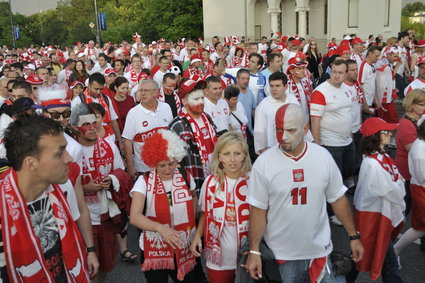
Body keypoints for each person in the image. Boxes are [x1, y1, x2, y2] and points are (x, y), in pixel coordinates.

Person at [245, 103, 364, 282]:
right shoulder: (263, 164)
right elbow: (258, 210)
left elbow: (337, 199)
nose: (283, 136)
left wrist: (353, 236)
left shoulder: (322, 157)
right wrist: (254, 251)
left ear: (305, 128)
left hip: (319, 251)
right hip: (282, 255)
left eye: (291, 130)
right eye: (279, 129)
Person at [0, 115, 90, 282]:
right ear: (31, 163)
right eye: (60, 153)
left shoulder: (62, 187)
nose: (69, 158)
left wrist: (90, 251)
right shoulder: (2, 210)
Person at [130, 129, 205, 283]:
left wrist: (192, 228)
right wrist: (160, 228)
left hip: (183, 244)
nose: (168, 169)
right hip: (155, 247)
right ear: (153, 162)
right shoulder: (143, 181)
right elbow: (135, 217)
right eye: (162, 165)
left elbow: (193, 197)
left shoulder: (185, 175)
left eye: (171, 164)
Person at [70, 103, 131, 282]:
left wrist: (111, 179)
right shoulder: (70, 151)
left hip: (107, 217)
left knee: (106, 265)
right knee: (86, 267)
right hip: (82, 220)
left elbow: (122, 173)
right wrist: (83, 188)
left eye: (94, 123)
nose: (92, 128)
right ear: (75, 128)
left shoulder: (109, 147)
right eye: (86, 125)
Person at [190, 132, 251, 283]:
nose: (232, 159)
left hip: (247, 255)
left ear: (244, 155)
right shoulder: (210, 182)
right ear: (219, 157)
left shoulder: (253, 181)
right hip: (218, 259)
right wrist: (198, 235)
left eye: (237, 153)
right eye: (226, 154)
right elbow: (205, 213)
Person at [354, 117, 405, 282]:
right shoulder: (373, 164)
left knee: (376, 256)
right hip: (375, 216)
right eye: (385, 131)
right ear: (375, 136)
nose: (390, 134)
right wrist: (398, 184)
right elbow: (393, 190)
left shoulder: (380, 158)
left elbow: (396, 184)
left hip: (379, 214)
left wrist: (398, 184)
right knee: (385, 260)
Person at [310, 59, 357, 199]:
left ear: (346, 74)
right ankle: (331, 210)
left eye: (341, 73)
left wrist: (350, 133)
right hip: (330, 143)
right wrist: (317, 145)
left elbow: (348, 112)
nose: (337, 76)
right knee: (333, 179)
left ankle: (346, 194)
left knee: (349, 170)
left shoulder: (348, 89)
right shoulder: (320, 91)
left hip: (347, 140)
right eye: (334, 72)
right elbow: (315, 120)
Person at [168, 79, 218, 192]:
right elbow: (172, 162)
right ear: (184, 101)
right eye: (196, 99)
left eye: (202, 98)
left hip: (214, 178)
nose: (201, 102)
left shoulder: (207, 117)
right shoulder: (177, 125)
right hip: (194, 183)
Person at [123, 79, 173, 179]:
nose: (143, 94)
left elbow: (171, 135)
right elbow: (127, 141)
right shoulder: (133, 113)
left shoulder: (166, 107)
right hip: (144, 169)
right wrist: (131, 167)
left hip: (166, 166)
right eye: (141, 90)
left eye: (146, 91)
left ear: (156, 92)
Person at [394, 117, 425, 258]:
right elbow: (421, 177)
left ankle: (395, 250)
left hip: (420, 188)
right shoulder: (419, 150)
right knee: (419, 228)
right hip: (421, 191)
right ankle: (395, 250)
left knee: (420, 228)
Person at [71, 72, 123, 151]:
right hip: (88, 142)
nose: (98, 92)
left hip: (108, 139)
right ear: (89, 86)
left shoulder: (106, 99)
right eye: (96, 89)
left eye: (101, 89)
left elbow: (113, 120)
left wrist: (120, 141)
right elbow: (72, 124)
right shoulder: (79, 100)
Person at [254, 71, 299, 154]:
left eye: (277, 86)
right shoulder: (263, 106)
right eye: (272, 86)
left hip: (295, 148)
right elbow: (259, 132)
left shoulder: (293, 100)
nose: (274, 89)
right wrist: (264, 153)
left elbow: (300, 123)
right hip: (274, 150)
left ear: (285, 87)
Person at [358, 46, 381, 117]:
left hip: (370, 101)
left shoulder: (372, 66)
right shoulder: (364, 66)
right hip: (365, 103)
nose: (378, 58)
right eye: (376, 56)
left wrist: (375, 99)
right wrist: (364, 104)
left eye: (378, 56)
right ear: (370, 53)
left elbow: (372, 84)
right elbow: (359, 85)